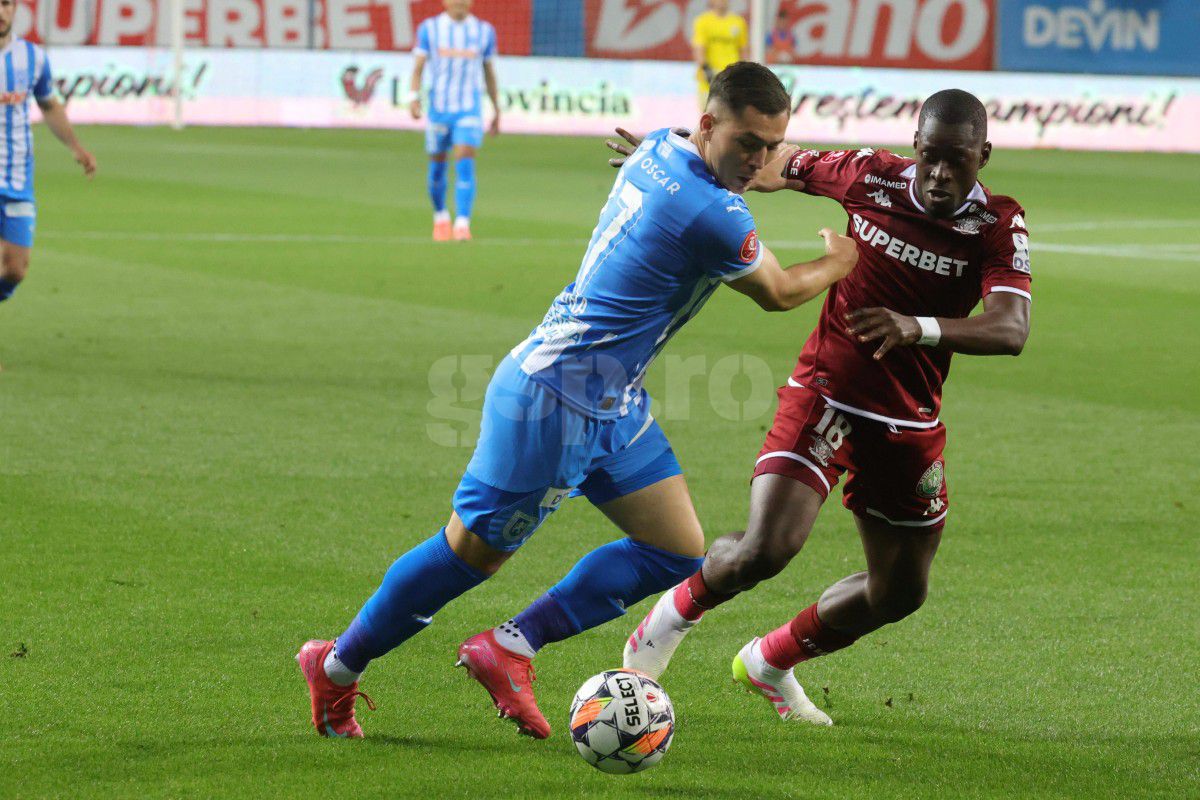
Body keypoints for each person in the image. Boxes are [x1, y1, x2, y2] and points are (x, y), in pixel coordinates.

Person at [297, 63, 857, 740]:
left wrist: (737, 164)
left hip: (613, 400)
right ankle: (335, 667)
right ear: (709, 124)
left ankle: (509, 648)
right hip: (553, 401)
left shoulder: (660, 145)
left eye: (771, 146)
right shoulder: (714, 212)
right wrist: (838, 261)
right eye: (747, 143)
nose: (758, 160)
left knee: (677, 550)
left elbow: (686, 155)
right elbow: (779, 290)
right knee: (465, 557)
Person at [621, 89, 1033, 725]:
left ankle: (769, 660)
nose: (940, 174)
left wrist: (915, 326)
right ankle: (669, 620)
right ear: (915, 147)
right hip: (827, 393)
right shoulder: (871, 174)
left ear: (984, 154)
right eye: (930, 157)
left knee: (899, 593)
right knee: (768, 547)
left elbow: (1010, 330)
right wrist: (673, 157)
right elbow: (775, 162)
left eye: (958, 161)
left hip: (909, 421)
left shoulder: (997, 223)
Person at [0, 0, 96, 307]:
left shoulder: (33, 58)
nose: (1, 12)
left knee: (15, 269)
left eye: (5, 4)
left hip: (17, 180)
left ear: (15, 8)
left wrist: (75, 145)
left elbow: (49, 105)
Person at [409, 0, 500, 242]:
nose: (459, 2)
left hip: (469, 110)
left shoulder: (484, 31)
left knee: (464, 161)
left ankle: (462, 223)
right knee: (438, 168)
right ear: (445, 2)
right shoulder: (429, 28)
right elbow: (418, 67)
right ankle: (440, 217)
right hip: (439, 109)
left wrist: (496, 107)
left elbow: (488, 71)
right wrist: (413, 97)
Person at [692, 0, 748, 109]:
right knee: (708, 115)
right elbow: (699, 48)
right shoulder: (703, 21)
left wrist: (745, 71)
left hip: (732, 78)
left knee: (731, 116)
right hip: (709, 79)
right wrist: (705, 68)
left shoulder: (738, 22)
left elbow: (743, 49)